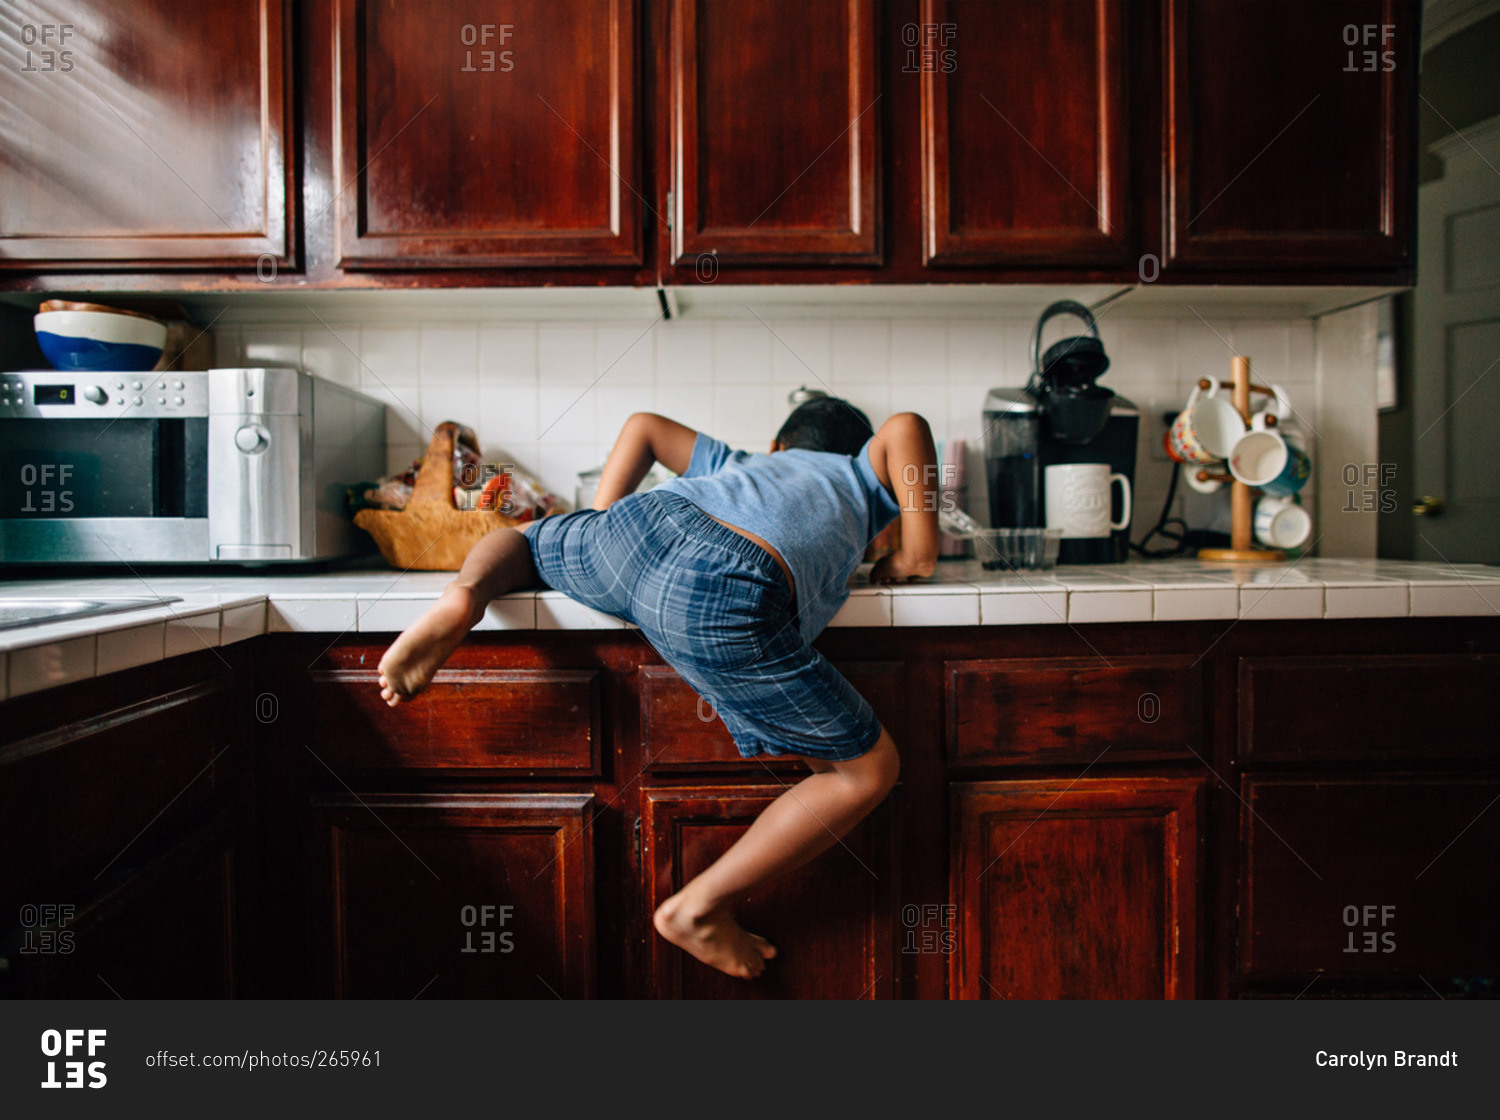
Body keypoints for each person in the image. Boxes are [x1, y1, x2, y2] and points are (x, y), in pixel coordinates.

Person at [377, 397, 939, 979]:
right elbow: (906, 426)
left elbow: (643, 426)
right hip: (726, 582)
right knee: (867, 770)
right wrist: (913, 553)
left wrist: (602, 523)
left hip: (636, 526)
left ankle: (465, 597)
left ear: (777, 446)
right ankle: (698, 908)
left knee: (523, 542)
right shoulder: (859, 473)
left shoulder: (737, 463)